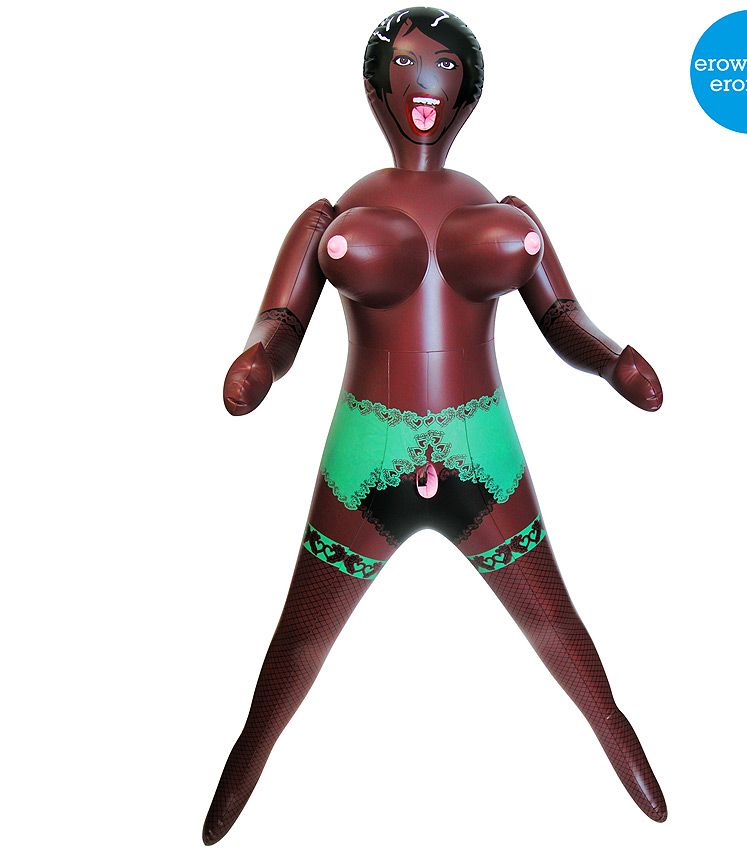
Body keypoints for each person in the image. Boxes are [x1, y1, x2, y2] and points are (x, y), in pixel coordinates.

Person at [204, 8, 666, 845]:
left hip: (481, 452)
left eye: (446, 66)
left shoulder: (503, 205)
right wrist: (259, 362)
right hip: (366, 458)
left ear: (468, 90)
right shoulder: (328, 213)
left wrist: (612, 361)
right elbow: (283, 317)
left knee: (555, 623)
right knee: (301, 639)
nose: (425, 82)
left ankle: (619, 736)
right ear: (377, 84)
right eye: (410, 64)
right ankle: (246, 758)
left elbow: (561, 315)